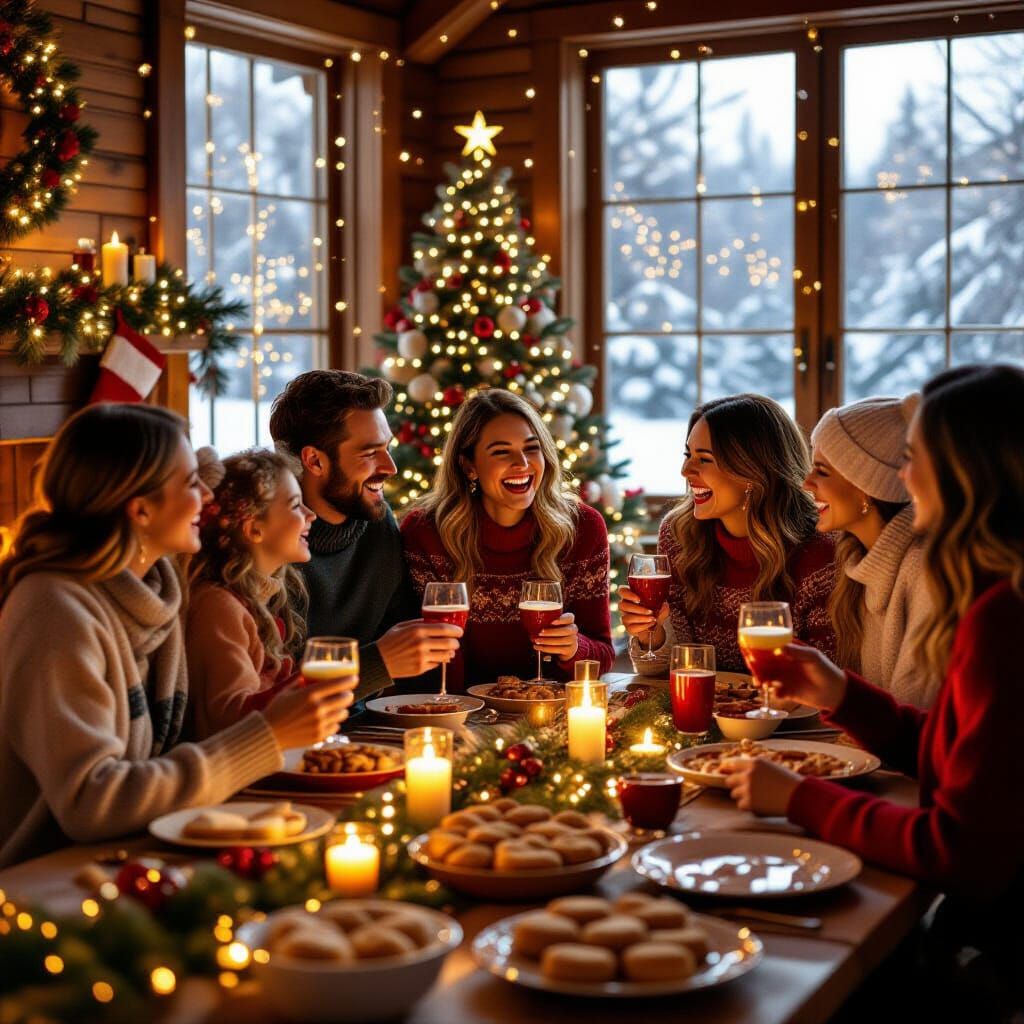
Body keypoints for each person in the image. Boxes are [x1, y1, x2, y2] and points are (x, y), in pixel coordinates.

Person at [721, 366, 1024, 988]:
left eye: (915, 458)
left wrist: (801, 799)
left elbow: (962, 852)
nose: (907, 479)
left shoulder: (1003, 616)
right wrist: (840, 694)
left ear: (964, 471)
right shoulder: (988, 594)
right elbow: (961, 760)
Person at [0, 404, 354, 867]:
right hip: (42, 877)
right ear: (140, 508)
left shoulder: (159, 595)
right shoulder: (55, 612)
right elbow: (92, 803)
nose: (208, 500)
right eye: (190, 483)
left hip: (134, 852)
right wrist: (266, 734)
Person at [400, 389, 614, 690]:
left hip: (547, 715)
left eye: (532, 448)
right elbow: (427, 661)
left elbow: (603, 654)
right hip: (460, 713)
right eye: (501, 452)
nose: (523, 463)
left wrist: (574, 648)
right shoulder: (426, 531)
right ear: (469, 465)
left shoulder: (583, 528)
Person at [269, 371, 462, 700]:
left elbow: (399, 631)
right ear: (315, 460)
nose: (390, 467)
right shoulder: (267, 541)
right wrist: (377, 663)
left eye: (387, 448)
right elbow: (270, 694)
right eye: (370, 453)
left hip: (370, 727)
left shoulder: (376, 522)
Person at [620, 394, 836, 674]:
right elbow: (664, 670)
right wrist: (652, 632)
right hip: (698, 711)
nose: (686, 470)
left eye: (704, 459)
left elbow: (827, 680)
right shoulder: (678, 534)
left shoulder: (820, 549)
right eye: (688, 455)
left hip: (785, 715)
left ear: (751, 470)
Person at [805, 395, 939, 706]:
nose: (806, 483)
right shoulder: (855, 561)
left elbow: (917, 719)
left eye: (821, 472)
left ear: (868, 486)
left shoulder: (923, 571)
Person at [185, 448, 315, 738]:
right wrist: (313, 685)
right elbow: (227, 721)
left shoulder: (257, 599)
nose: (310, 515)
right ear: (254, 528)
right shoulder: (217, 607)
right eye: (295, 505)